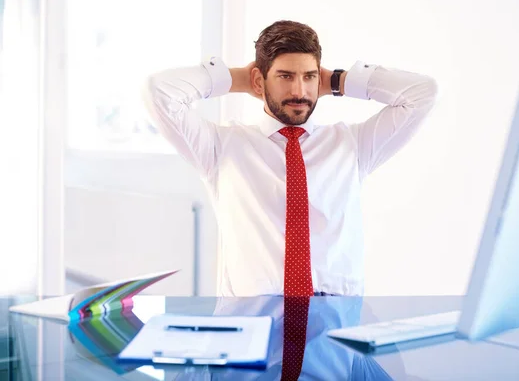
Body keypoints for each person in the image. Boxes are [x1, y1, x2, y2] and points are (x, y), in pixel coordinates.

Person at [144, 20, 438, 297]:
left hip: (334, 328)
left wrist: (339, 81)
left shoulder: (352, 145)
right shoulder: (220, 147)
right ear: (259, 80)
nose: (300, 91)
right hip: (251, 326)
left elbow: (422, 94)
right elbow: (159, 92)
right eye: (285, 76)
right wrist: (237, 80)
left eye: (309, 77)